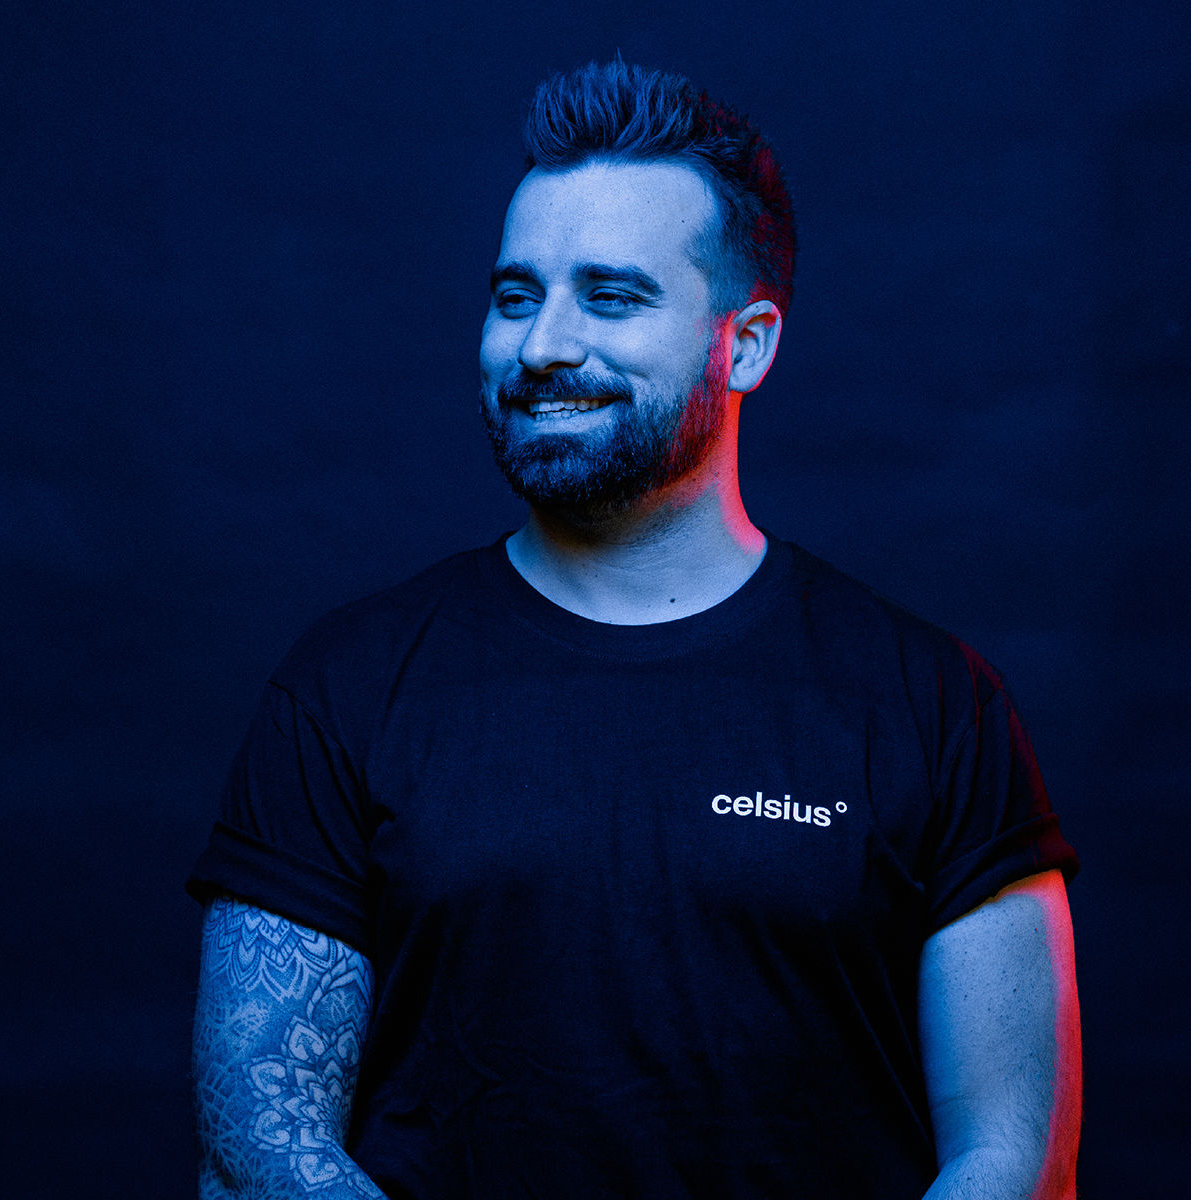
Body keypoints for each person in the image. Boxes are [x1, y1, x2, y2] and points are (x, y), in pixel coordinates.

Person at [188, 60, 1081, 1199]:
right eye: (517, 296)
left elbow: (1016, 1160)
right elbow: (259, 1151)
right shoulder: (347, 688)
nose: (543, 346)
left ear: (745, 343)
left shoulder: (932, 704)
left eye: (610, 297)